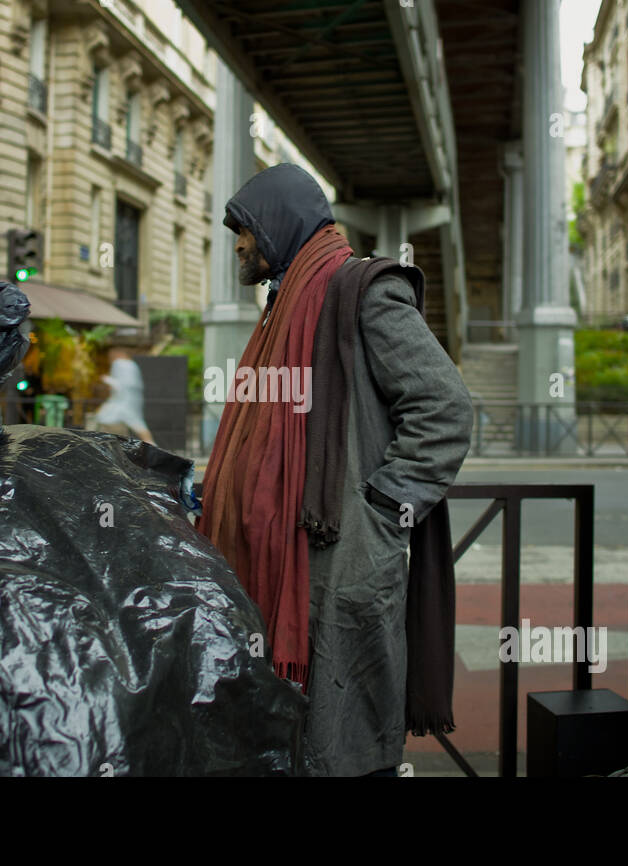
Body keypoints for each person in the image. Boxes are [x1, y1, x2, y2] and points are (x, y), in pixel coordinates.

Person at [197, 163, 474, 777]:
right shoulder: (282, 309)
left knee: (343, 742)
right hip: (288, 555)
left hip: (340, 558)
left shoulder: (361, 292)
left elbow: (444, 409)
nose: (239, 243)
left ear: (277, 225)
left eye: (243, 228)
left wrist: (379, 509)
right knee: (295, 737)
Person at [92, 347, 156, 445]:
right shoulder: (132, 365)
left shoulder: (119, 364)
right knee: (137, 424)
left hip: (122, 400)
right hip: (130, 400)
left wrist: (107, 380)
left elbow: (120, 386)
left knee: (106, 419)